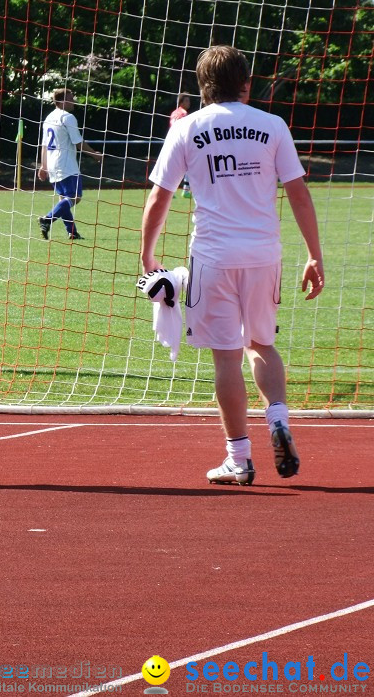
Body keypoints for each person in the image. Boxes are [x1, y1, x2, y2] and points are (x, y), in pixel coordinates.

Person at [139, 45, 325, 485]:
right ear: (245, 83)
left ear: (203, 87)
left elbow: (159, 196)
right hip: (264, 254)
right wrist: (315, 254)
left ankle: (239, 459)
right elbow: (299, 193)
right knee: (261, 343)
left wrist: (148, 254)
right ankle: (277, 417)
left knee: (226, 357)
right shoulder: (272, 125)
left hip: (213, 256)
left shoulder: (188, 128)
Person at [37, 88, 104, 241]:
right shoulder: (68, 117)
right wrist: (94, 154)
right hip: (66, 165)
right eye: (70, 98)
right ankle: (47, 219)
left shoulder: (48, 118)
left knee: (64, 199)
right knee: (75, 197)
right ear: (61, 101)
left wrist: (43, 166)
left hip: (53, 164)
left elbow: (44, 145)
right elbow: (78, 142)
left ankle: (72, 232)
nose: (73, 100)